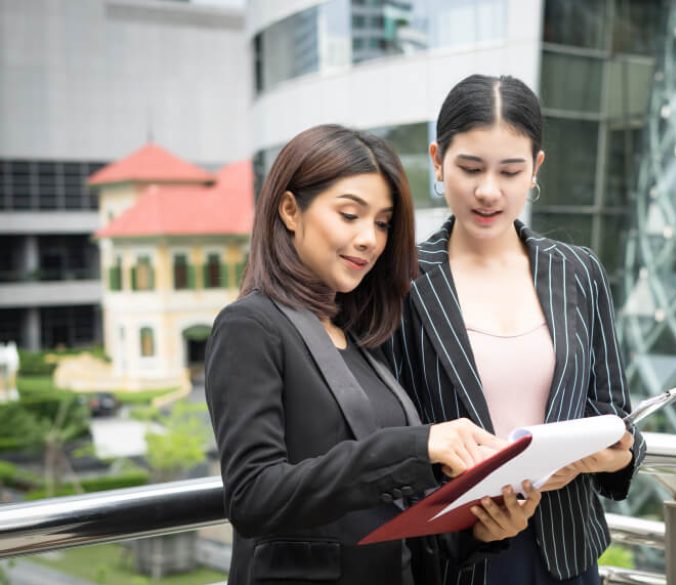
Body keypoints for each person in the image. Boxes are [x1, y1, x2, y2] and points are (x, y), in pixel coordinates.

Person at [205, 124, 541, 585]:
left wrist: (481, 530)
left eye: (382, 223)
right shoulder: (251, 326)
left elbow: (385, 512)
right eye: (350, 215)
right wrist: (416, 446)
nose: (370, 239)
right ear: (289, 210)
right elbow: (253, 496)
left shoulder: (359, 335)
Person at [387, 75, 646, 585]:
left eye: (510, 171)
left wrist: (618, 452)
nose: (489, 191)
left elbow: (614, 412)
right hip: (459, 553)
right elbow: (390, 435)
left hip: (566, 551)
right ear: (438, 161)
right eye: (469, 168)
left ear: (535, 169)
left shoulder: (578, 272)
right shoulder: (403, 281)